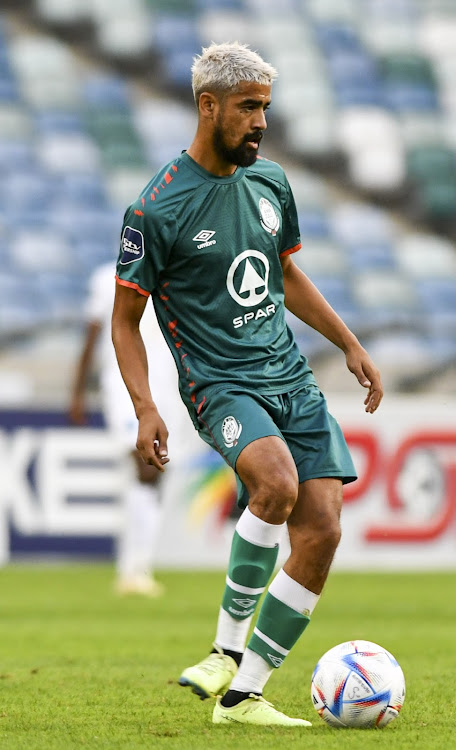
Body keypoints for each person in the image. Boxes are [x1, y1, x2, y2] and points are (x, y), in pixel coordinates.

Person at [111, 42, 383, 726]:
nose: (262, 122)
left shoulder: (271, 184)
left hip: (289, 376)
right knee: (277, 486)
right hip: (221, 384)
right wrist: (146, 408)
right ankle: (224, 650)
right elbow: (125, 322)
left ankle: (243, 696)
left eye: (266, 106)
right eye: (249, 107)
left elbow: (286, 275)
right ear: (209, 106)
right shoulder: (155, 210)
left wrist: (347, 343)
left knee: (321, 530)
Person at [70, 261, 184, 596]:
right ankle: (135, 569)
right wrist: (76, 391)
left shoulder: (177, 273)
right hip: (124, 386)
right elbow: (91, 336)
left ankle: (135, 566)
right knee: (144, 465)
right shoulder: (107, 277)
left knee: (156, 471)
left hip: (169, 387)